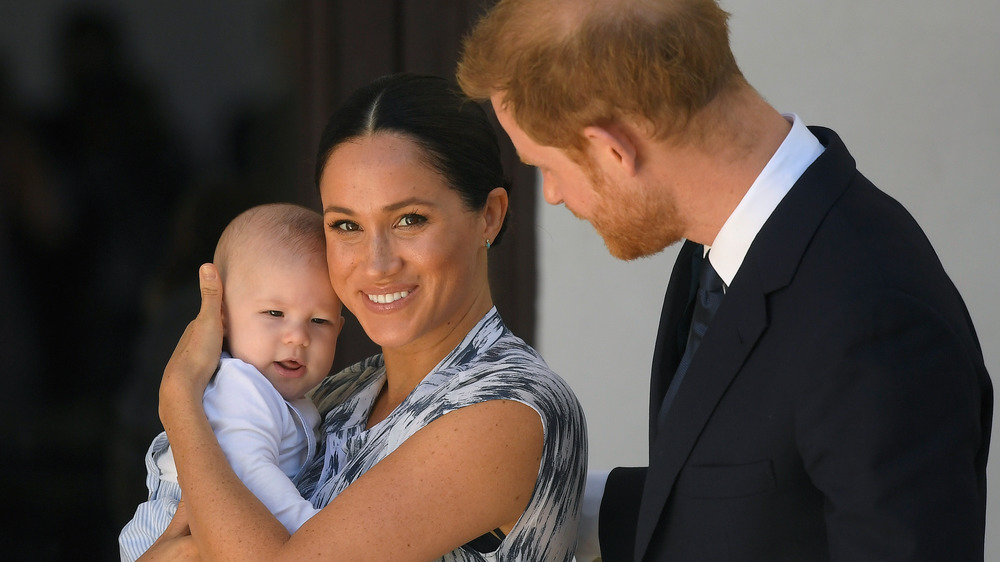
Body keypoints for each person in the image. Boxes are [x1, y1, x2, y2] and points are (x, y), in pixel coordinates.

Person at [457, 1, 992, 561]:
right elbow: (758, 501)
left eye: (545, 166)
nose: (553, 194)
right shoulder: (726, 246)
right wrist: (538, 499)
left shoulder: (874, 318)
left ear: (614, 150)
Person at [140, 73, 587, 561]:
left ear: (490, 216)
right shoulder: (336, 393)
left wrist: (180, 400)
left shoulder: (508, 408)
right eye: (346, 225)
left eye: (410, 220)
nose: (376, 264)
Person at [119, 203, 345, 560]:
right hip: (176, 533)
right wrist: (311, 533)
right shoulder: (240, 387)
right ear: (221, 316)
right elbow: (250, 473)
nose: (298, 337)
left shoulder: (288, 395)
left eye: (319, 321)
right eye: (275, 313)